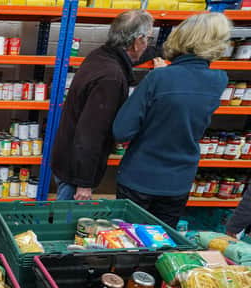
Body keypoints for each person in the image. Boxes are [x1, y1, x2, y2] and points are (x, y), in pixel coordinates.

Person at [113, 13, 231, 228]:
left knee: (127, 245)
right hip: (179, 181)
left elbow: (122, 131)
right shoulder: (219, 80)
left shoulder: (160, 78)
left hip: (140, 177)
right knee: (161, 244)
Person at [50, 10, 155, 201]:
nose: (148, 44)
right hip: (76, 170)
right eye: (148, 39)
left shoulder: (100, 55)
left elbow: (136, 55)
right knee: (65, 224)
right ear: (138, 40)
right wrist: (84, 183)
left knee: (63, 219)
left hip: (69, 158)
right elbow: (91, 132)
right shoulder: (111, 78)